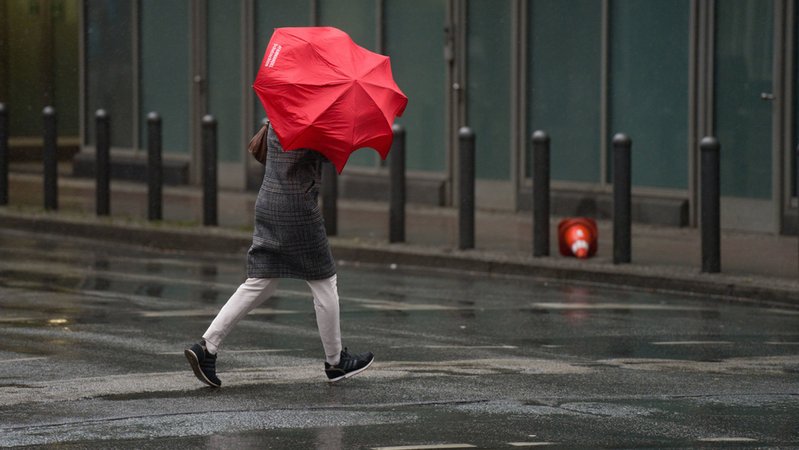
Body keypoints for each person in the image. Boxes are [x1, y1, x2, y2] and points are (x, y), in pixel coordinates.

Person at [184, 121, 374, 387]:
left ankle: (207, 347)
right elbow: (328, 154)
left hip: (269, 202)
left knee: (261, 282)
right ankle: (335, 362)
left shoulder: (282, 110)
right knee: (324, 281)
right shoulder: (311, 120)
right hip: (297, 208)